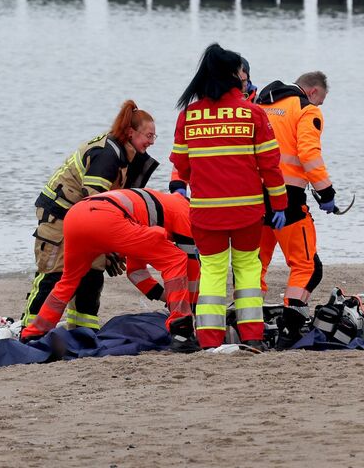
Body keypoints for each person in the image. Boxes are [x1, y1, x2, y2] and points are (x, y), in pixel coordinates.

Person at [170, 43, 288, 349]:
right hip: (248, 212)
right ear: (232, 75)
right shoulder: (254, 114)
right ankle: (252, 337)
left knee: (211, 271)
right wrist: (279, 205)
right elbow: (271, 167)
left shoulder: (189, 116)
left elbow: (181, 166)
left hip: (206, 213)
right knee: (248, 269)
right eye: (239, 70)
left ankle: (210, 340)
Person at [21, 100, 159, 332]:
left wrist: (111, 248)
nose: (152, 142)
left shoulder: (127, 153)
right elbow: (95, 208)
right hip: (59, 217)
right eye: (149, 135)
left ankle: (83, 330)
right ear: (130, 132)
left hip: (83, 218)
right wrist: (111, 248)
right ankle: (29, 331)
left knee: (92, 275)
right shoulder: (107, 156)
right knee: (53, 274)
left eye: (155, 137)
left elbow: (112, 208)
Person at [20, 188, 200, 352]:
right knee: (176, 259)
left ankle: (34, 333)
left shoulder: (155, 210)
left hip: (76, 216)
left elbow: (136, 272)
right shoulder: (186, 212)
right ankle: (181, 332)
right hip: (106, 217)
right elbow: (190, 271)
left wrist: (167, 298)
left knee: (68, 281)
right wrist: (191, 310)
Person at [256, 71, 335, 348]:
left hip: (254, 197)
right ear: (312, 92)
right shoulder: (305, 109)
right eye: (320, 101)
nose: (319, 107)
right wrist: (326, 192)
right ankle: (290, 329)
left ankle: (249, 324)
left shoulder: (260, 102)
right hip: (288, 199)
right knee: (308, 267)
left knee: (255, 265)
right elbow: (309, 153)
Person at [170, 55, 256, 197]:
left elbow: (269, 159)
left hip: (249, 193)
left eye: (243, 81)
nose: (239, 86)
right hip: (209, 194)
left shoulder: (258, 109)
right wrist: (178, 184)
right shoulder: (198, 113)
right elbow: (183, 156)